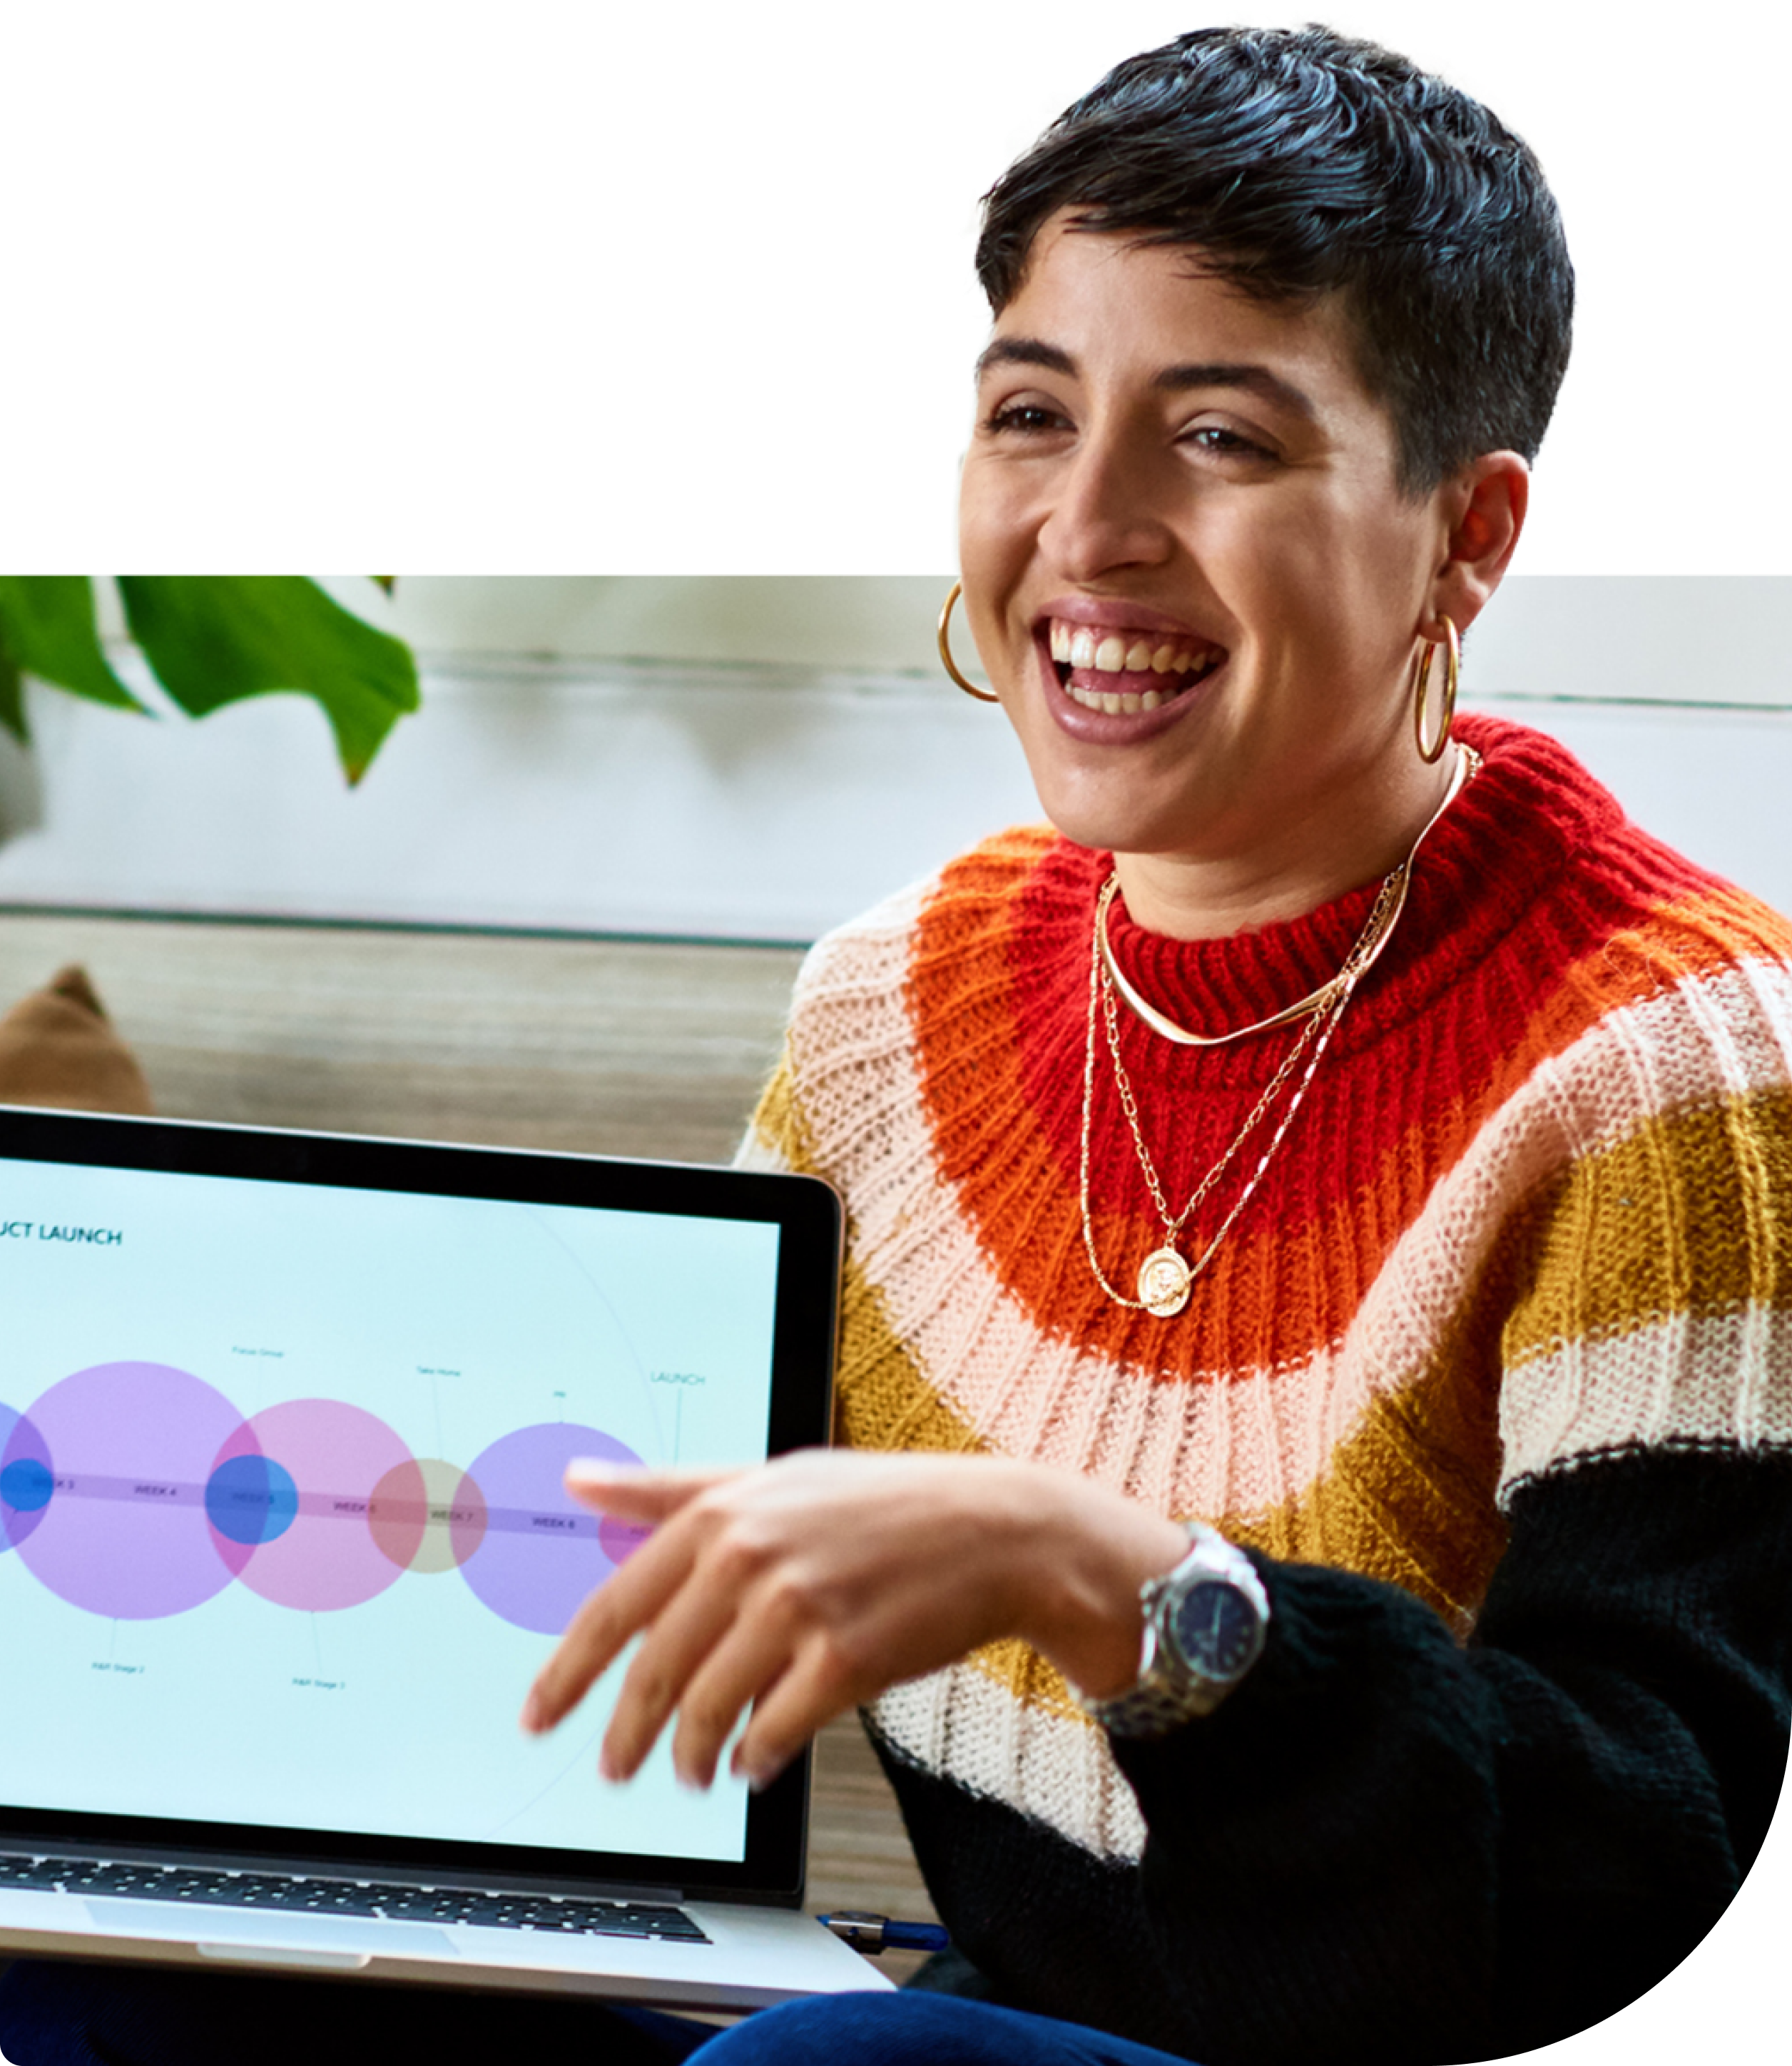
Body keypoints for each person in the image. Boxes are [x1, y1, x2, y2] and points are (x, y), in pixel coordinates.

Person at [5, 15, 1789, 2066]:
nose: (1088, 526)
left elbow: (1658, 1902)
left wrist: (1115, 1580)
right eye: (1032, 412)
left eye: (1222, 437)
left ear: (1471, 535)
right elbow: (594, 1574)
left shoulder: (1683, 1067)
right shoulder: (895, 1009)